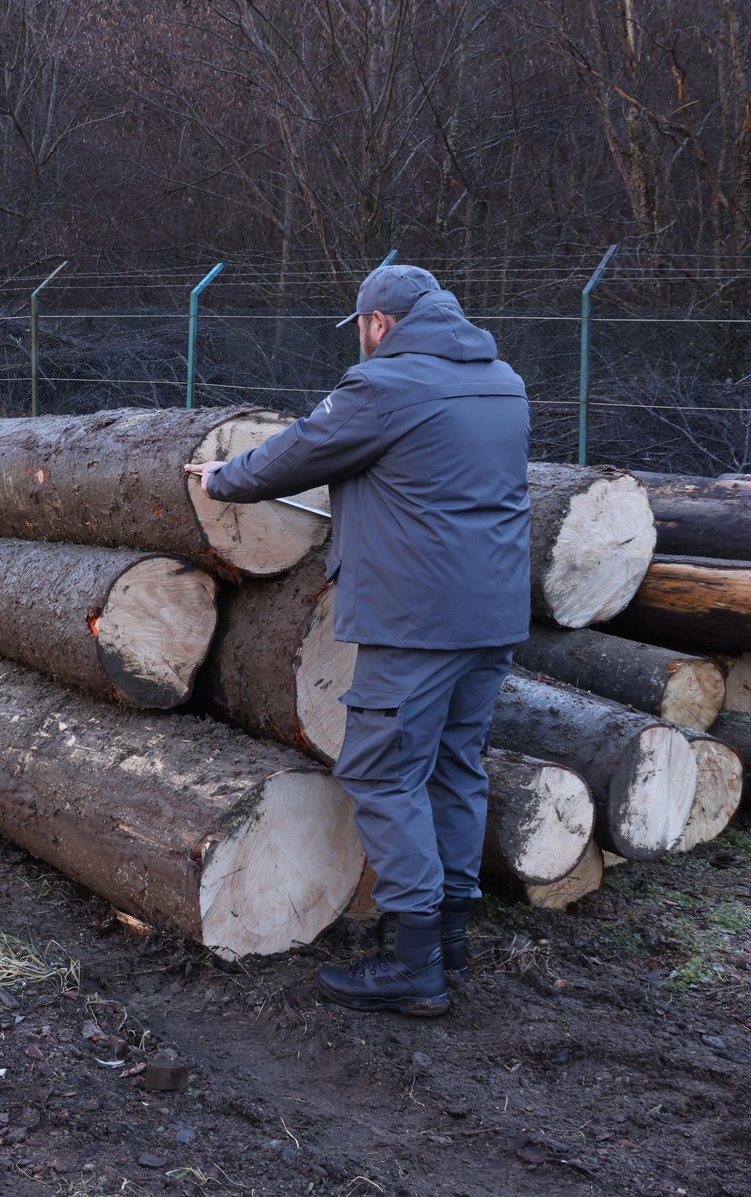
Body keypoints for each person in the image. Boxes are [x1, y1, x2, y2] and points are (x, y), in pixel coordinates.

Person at [186, 264, 531, 1017]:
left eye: (363, 327)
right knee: (454, 767)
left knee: (382, 773)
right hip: (495, 613)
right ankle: (448, 939)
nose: (364, 339)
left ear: (380, 323)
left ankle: (413, 967)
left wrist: (222, 478)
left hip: (416, 619)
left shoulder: (384, 385)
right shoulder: (503, 381)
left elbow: (297, 453)